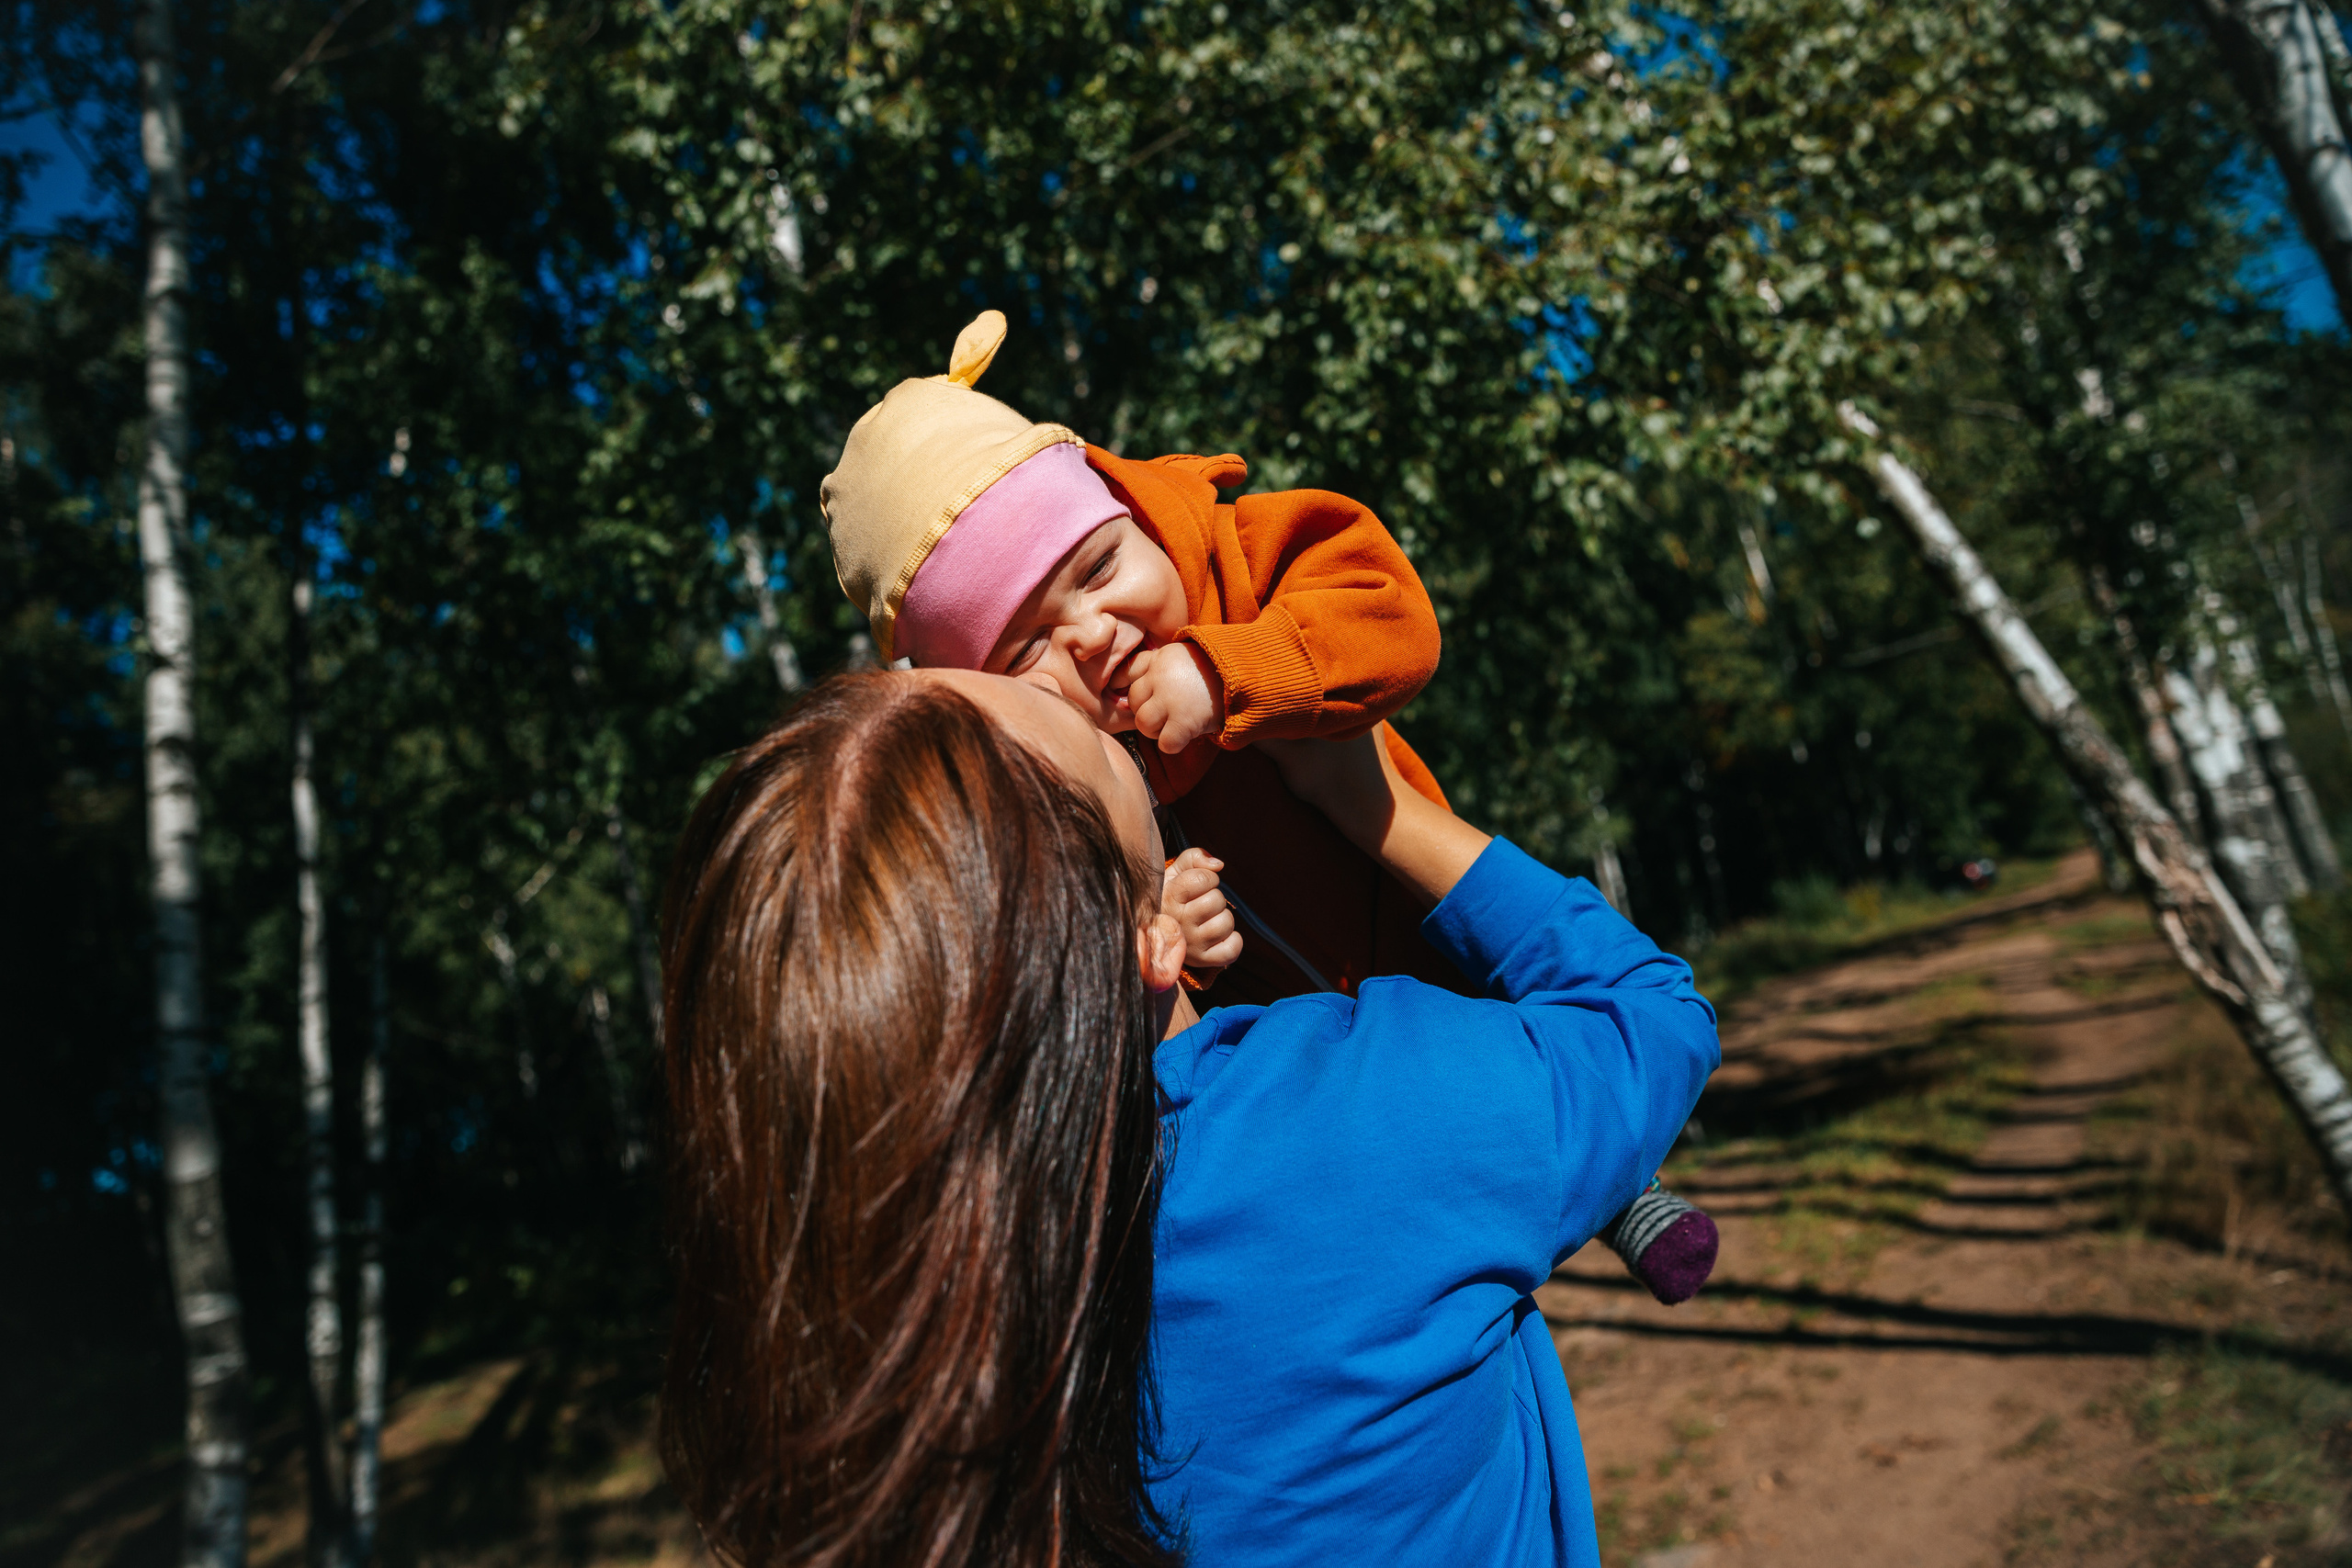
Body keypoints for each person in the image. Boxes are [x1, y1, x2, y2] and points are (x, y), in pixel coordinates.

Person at [658, 668, 1722, 1567]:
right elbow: (1647, 1018)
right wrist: (1377, 807)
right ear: (1150, 939)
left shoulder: (860, 1346)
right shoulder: (1365, 1114)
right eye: (1071, 722)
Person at [819, 309, 1717, 1303]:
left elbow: (1391, 618)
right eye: (1026, 645)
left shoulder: (1239, 556)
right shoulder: (1058, 770)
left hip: (1409, 909)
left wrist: (1230, 670)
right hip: (1293, 1054)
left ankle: (1624, 1180)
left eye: (1098, 569)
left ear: (1125, 508)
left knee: (1519, 1043)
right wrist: (1165, 919)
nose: (1093, 633)